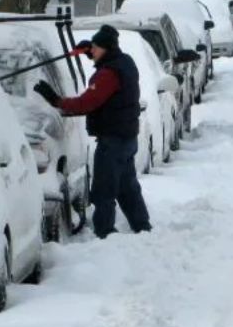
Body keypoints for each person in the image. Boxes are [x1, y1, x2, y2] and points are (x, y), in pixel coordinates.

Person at [33, 25, 152, 239]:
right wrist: (92, 51)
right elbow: (107, 65)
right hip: (126, 138)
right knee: (127, 188)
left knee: (103, 190)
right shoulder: (124, 63)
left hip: (113, 141)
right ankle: (142, 227)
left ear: (106, 49)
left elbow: (86, 103)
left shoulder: (109, 74)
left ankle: (105, 233)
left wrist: (56, 100)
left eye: (96, 48)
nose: (92, 51)